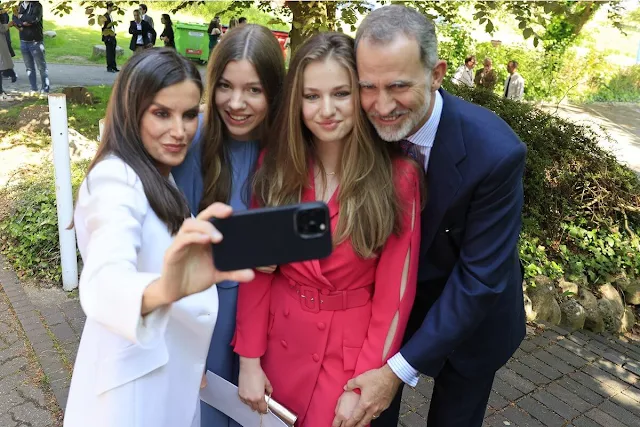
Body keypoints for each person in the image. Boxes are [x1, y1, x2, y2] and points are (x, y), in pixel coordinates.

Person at [346, 5, 527, 427]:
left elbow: (479, 279)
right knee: (369, 412)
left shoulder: (496, 153)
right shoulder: (362, 129)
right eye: (367, 87)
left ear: (438, 74)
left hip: (474, 320)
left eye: (398, 86)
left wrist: (398, 370)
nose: (381, 105)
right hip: (390, 314)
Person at [233, 32, 422, 427]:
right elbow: (256, 273)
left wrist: (362, 387)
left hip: (347, 358)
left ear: (360, 95)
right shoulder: (277, 166)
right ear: (296, 102)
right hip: (278, 345)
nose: (326, 110)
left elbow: (394, 299)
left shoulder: (396, 178)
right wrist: (249, 361)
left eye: (340, 93)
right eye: (312, 96)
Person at [63, 48, 255, 427]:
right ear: (130, 109)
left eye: (188, 114)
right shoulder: (115, 180)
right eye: (161, 113)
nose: (180, 130)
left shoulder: (156, 171)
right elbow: (104, 280)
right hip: (132, 399)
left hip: (166, 379)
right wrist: (166, 288)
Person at [172, 24, 285, 427]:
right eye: (225, 86)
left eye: (253, 90)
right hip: (208, 321)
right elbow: (167, 244)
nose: (236, 103)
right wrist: (250, 246)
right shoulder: (190, 141)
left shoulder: (289, 148)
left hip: (272, 323)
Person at [14, 0, 49, 93]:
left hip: (36, 42)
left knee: (41, 67)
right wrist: (23, 22)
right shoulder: (20, 5)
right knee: (29, 67)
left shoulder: (37, 5)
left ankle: (45, 89)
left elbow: (34, 19)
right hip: (23, 41)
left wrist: (21, 17)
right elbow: (14, 19)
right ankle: (33, 88)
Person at [99, 2, 119, 73]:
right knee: (109, 53)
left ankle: (114, 66)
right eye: (112, 7)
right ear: (109, 7)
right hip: (108, 37)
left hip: (112, 36)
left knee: (113, 52)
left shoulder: (110, 16)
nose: (113, 8)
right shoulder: (105, 16)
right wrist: (107, 37)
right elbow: (103, 28)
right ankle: (109, 67)